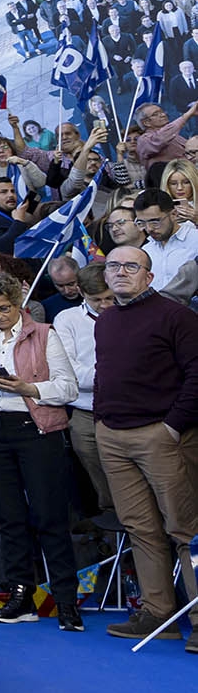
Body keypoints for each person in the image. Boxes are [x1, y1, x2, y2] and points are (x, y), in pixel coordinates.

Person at [0, 272, 82, 631]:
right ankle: (20, 593)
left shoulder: (44, 334)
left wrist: (29, 388)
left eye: (4, 308)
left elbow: (68, 387)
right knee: (9, 517)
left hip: (37, 431)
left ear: (17, 302)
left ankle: (66, 600)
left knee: (50, 515)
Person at [92, 246, 198, 647]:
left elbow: (197, 375)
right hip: (113, 436)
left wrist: (173, 426)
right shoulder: (106, 321)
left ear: (148, 277)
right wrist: (101, 418)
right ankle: (158, 614)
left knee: (186, 529)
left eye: (131, 266)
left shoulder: (177, 317)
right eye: (114, 266)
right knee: (141, 528)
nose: (121, 272)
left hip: (163, 435)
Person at [49, 264, 117, 515]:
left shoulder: (129, 313)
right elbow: (70, 371)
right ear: (81, 292)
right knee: (101, 482)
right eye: (97, 299)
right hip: (86, 412)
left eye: (110, 298)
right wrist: (115, 374)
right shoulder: (68, 319)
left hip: (130, 407)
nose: (105, 305)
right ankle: (114, 534)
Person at [131, 189, 198, 290]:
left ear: (174, 214)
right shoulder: (146, 250)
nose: (149, 229)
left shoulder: (195, 241)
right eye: (142, 223)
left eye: (155, 222)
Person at [38, 256, 82, 322]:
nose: (67, 291)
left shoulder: (95, 298)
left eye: (71, 284)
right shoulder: (46, 307)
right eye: (60, 286)